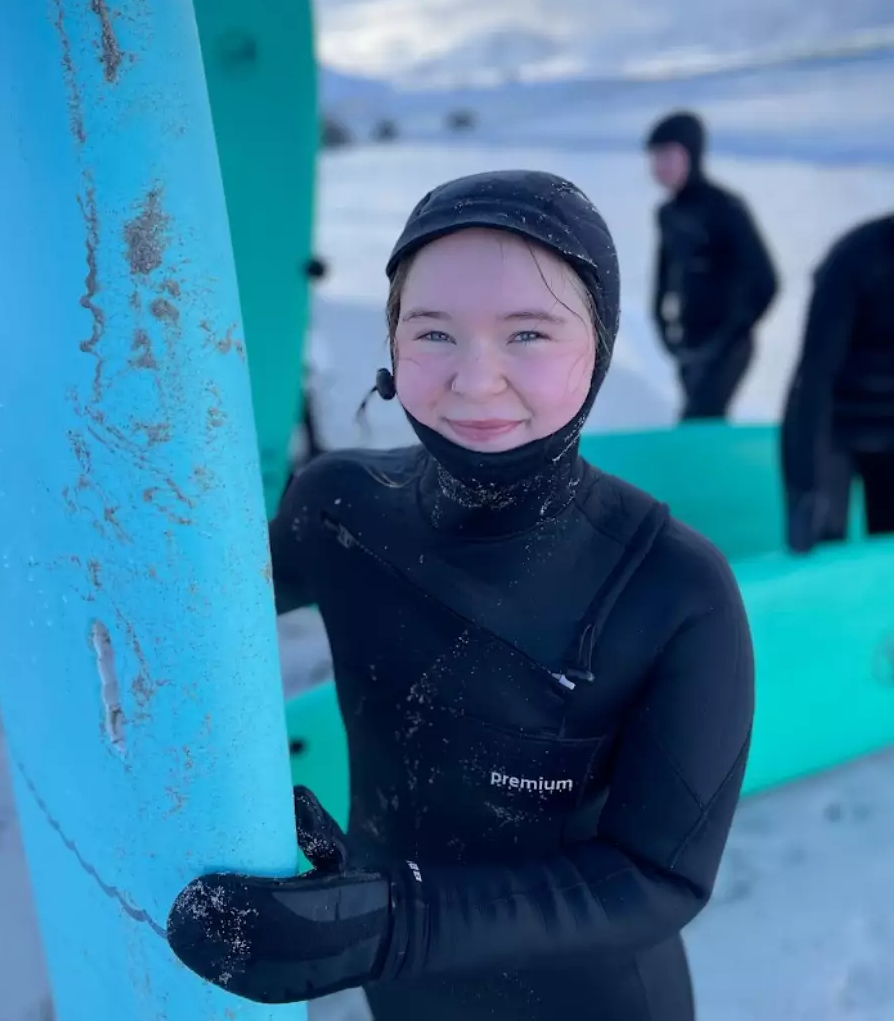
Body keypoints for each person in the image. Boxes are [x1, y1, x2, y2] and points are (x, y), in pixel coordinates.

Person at [166, 170, 755, 1021]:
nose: (475, 381)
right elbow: (189, 615)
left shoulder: (673, 589)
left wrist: (394, 922)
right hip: (404, 995)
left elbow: (656, 878)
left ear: (599, 345)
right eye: (434, 332)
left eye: (528, 333)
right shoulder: (338, 507)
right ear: (393, 344)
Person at [645, 112, 778, 420]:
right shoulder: (667, 213)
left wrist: (731, 335)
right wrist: (662, 326)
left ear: (692, 155)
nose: (660, 166)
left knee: (696, 421)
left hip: (729, 345)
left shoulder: (726, 208)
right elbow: (663, 276)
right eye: (655, 157)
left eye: (668, 156)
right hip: (690, 342)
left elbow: (767, 283)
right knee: (703, 421)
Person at [782, 213, 894, 553]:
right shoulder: (856, 257)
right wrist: (807, 482)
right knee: (820, 540)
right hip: (832, 422)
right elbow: (816, 373)